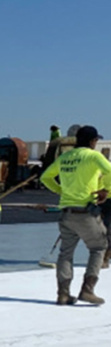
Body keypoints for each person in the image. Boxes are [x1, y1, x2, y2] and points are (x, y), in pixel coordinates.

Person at [40, 125, 111, 305]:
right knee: (98, 248)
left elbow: (45, 177)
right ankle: (87, 290)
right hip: (86, 212)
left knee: (66, 253)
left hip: (66, 213)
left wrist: (60, 190)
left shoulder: (65, 157)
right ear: (92, 141)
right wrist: (106, 190)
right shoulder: (93, 156)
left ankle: (63, 294)